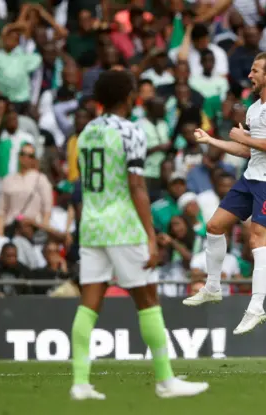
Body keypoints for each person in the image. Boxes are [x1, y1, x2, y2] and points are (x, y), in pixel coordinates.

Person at [69, 70, 208, 400]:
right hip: (122, 225)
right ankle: (165, 380)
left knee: (89, 304)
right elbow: (136, 184)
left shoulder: (86, 131)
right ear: (127, 96)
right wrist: (149, 234)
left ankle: (79, 382)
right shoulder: (131, 131)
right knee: (148, 300)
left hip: (91, 224)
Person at [183, 52, 266, 335]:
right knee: (214, 226)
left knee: (258, 239)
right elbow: (246, 150)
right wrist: (212, 140)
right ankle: (212, 287)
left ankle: (256, 308)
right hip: (251, 176)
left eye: (255, 70)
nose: (250, 75)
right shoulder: (253, 108)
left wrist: (243, 137)